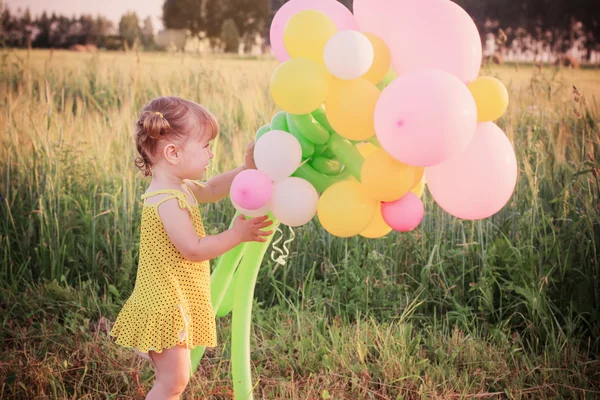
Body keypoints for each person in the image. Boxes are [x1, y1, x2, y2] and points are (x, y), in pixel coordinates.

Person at [110, 96, 273, 399]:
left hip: (173, 297)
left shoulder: (178, 187)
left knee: (173, 378)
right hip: (165, 302)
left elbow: (212, 189)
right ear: (173, 153)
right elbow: (194, 249)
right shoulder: (167, 200)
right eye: (206, 146)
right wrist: (236, 234)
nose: (211, 154)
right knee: (173, 382)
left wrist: (245, 168)